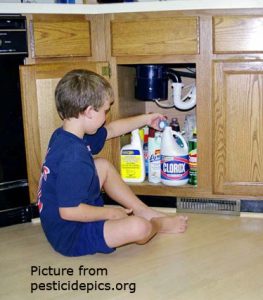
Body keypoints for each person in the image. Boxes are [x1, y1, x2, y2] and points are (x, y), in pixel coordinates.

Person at [37, 69, 188, 257]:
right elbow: (69, 211)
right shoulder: (73, 156)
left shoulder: (67, 135)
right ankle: (158, 224)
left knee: (102, 166)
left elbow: (111, 130)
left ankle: (144, 211)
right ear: (89, 111)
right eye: (105, 110)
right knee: (138, 228)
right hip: (71, 234)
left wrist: (147, 119)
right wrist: (110, 213)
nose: (107, 115)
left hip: (66, 216)